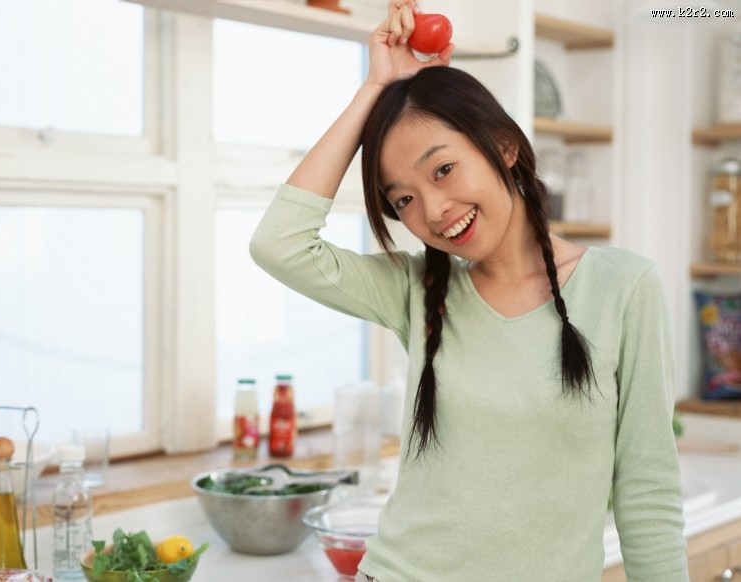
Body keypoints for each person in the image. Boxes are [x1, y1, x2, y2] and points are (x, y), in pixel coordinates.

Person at [249, 1, 689, 580]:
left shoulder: (625, 288)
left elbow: (647, 492)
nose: (433, 210)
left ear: (504, 146)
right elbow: (279, 244)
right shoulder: (416, 291)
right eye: (403, 199)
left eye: (443, 169)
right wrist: (376, 89)